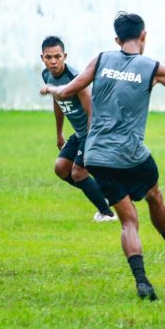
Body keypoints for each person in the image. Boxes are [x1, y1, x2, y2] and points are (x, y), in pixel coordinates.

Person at [40, 12, 165, 301]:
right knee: (155, 194)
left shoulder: (101, 59)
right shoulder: (153, 67)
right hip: (131, 154)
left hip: (96, 154)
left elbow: (67, 90)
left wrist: (50, 88)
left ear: (117, 39)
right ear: (143, 36)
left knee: (128, 221)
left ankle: (142, 281)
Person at [40, 36, 117, 222]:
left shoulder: (76, 79)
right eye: (48, 57)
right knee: (61, 168)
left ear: (64, 56)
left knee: (78, 172)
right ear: (42, 57)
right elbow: (58, 101)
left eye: (57, 56)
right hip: (80, 133)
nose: (53, 61)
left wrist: (91, 143)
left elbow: (92, 112)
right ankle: (103, 195)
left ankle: (107, 213)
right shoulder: (46, 75)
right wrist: (59, 133)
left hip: (93, 130)